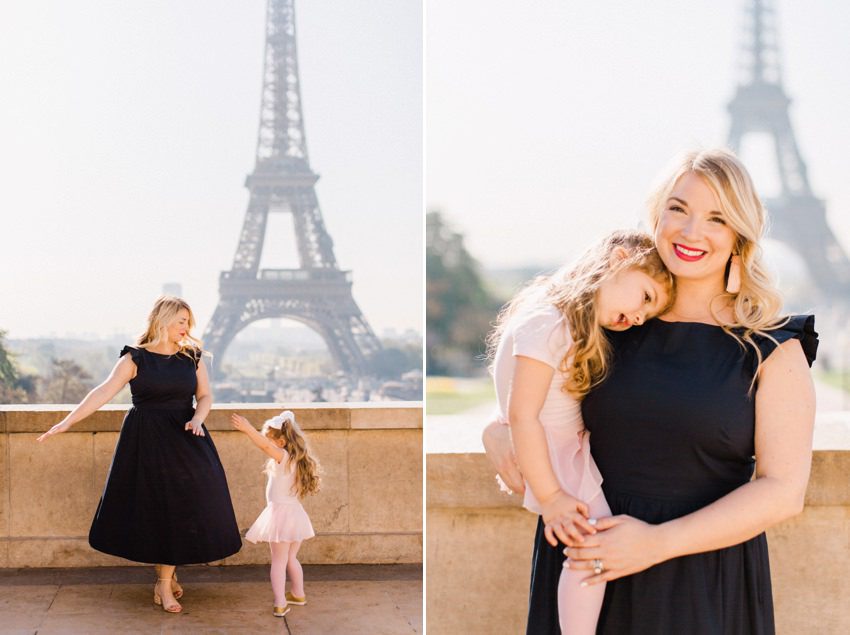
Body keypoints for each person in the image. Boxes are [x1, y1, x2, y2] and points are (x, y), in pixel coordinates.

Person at [483, 148, 818, 634]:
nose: (690, 231)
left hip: (697, 579)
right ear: (657, 213)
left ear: (739, 237)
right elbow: (537, 391)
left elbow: (784, 492)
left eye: (717, 218)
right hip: (583, 559)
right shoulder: (610, 321)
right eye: (678, 208)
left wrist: (657, 543)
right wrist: (494, 429)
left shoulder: (771, 348)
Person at [488, 229, 673, 634]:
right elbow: (523, 415)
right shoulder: (550, 324)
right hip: (556, 455)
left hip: (558, 450)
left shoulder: (552, 316)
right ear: (618, 260)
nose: (641, 317)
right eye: (645, 297)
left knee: (587, 552)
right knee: (591, 552)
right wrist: (553, 496)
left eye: (650, 312)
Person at [37, 295, 242, 614]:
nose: (186, 328)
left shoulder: (194, 357)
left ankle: (166, 575)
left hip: (186, 438)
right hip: (146, 442)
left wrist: (198, 418)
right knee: (161, 510)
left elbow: (204, 396)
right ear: (163, 320)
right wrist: (66, 422)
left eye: (188, 322)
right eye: (181, 321)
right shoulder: (134, 358)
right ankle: (164, 582)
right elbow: (102, 392)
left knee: (186, 507)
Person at [231, 410, 320, 618]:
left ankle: (280, 603)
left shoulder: (284, 457)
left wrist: (248, 429)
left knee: (279, 561)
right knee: (291, 558)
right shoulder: (297, 460)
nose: (267, 445)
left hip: (281, 514)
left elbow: (263, 445)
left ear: (280, 442)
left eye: (270, 440)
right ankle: (298, 593)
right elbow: (266, 445)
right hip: (295, 514)